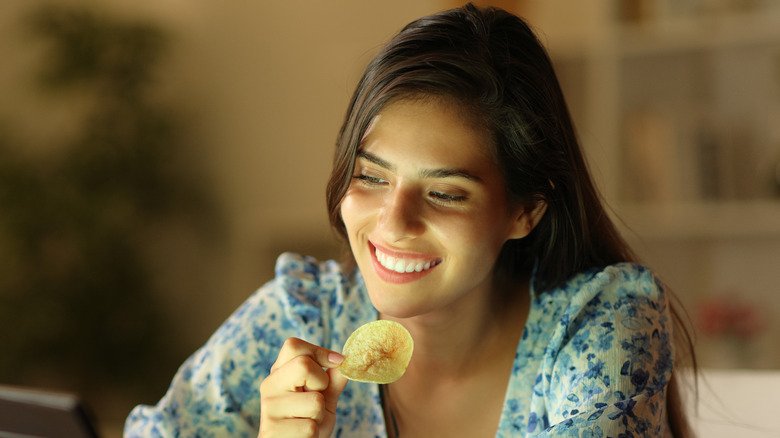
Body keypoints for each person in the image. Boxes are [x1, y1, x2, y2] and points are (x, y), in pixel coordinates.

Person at [125, 3, 695, 437]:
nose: (393, 222)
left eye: (445, 193)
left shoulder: (600, 326)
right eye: (371, 177)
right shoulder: (303, 313)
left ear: (524, 211)